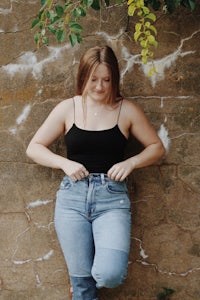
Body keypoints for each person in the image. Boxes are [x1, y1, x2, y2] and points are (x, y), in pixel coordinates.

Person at [26, 45, 165, 300]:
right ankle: (81, 285)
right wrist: (64, 163)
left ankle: (84, 280)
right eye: (94, 79)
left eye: (107, 80)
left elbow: (157, 148)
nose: (100, 87)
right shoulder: (69, 108)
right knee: (83, 289)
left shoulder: (127, 110)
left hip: (112, 200)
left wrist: (131, 163)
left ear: (114, 79)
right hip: (72, 199)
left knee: (109, 274)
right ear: (83, 77)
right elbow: (34, 148)